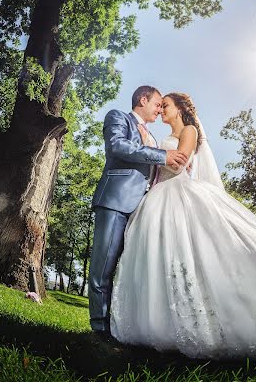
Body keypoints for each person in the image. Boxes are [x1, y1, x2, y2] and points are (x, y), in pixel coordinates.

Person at [110, 92, 256, 359]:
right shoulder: (155, 136)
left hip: (177, 192)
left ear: (180, 109)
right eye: (160, 106)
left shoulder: (188, 130)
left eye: (167, 106)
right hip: (158, 196)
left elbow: (181, 161)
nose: (162, 109)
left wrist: (155, 155)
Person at [88, 86, 188, 338]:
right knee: (103, 268)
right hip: (116, 201)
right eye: (157, 104)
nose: (159, 109)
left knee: (126, 270)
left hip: (142, 211)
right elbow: (117, 146)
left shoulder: (153, 136)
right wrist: (162, 156)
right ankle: (100, 329)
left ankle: (119, 327)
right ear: (143, 100)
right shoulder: (118, 117)